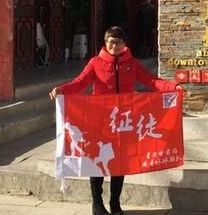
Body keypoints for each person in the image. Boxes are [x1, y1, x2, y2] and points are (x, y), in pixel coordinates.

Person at [49, 26, 182, 215]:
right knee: (98, 161)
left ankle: (115, 203)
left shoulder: (132, 64)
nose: (115, 45)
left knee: (120, 162)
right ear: (105, 43)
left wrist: (172, 87)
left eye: (119, 42)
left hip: (124, 122)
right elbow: (80, 82)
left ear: (124, 44)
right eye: (111, 41)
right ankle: (97, 203)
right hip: (100, 121)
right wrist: (62, 90)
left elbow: (151, 81)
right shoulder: (96, 63)